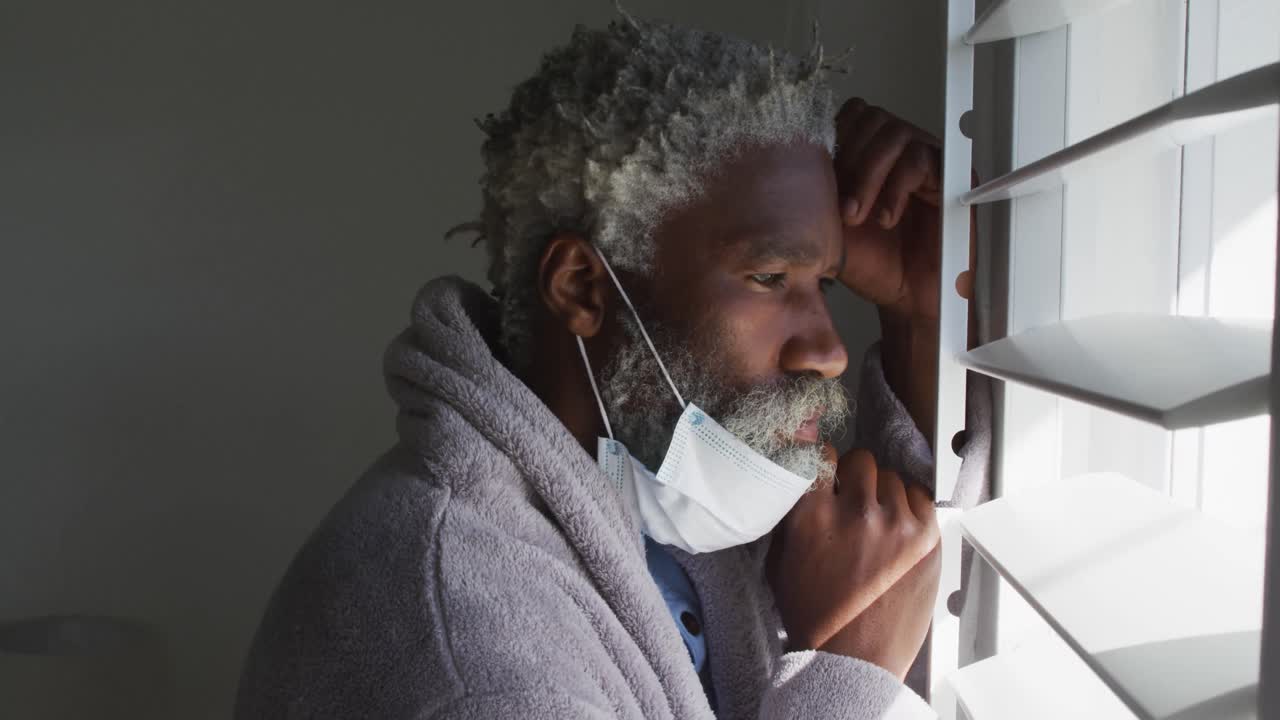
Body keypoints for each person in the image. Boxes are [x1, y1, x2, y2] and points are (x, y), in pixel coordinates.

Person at [236, 13, 980, 719]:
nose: (829, 349)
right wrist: (843, 681)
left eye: (824, 283)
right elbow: (857, 646)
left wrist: (920, 318)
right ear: (584, 289)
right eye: (768, 278)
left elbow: (883, 579)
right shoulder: (470, 661)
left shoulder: (661, 485)